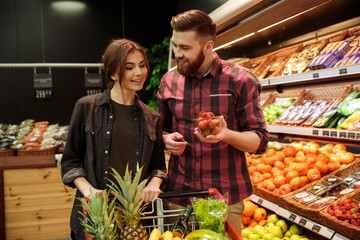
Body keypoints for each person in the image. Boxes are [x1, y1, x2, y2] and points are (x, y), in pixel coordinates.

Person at [157, 10, 269, 234]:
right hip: (179, 195)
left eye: (186, 48)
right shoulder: (169, 81)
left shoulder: (241, 80)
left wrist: (226, 135)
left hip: (224, 198)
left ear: (208, 46)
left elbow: (260, 141)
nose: (178, 53)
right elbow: (158, 132)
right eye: (175, 46)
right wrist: (165, 140)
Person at [61, 38, 167, 239]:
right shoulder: (86, 108)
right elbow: (70, 162)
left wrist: (154, 183)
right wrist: (88, 190)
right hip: (95, 217)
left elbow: (158, 166)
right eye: (129, 67)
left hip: (135, 220)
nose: (139, 73)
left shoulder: (152, 117)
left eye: (142, 65)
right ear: (112, 73)